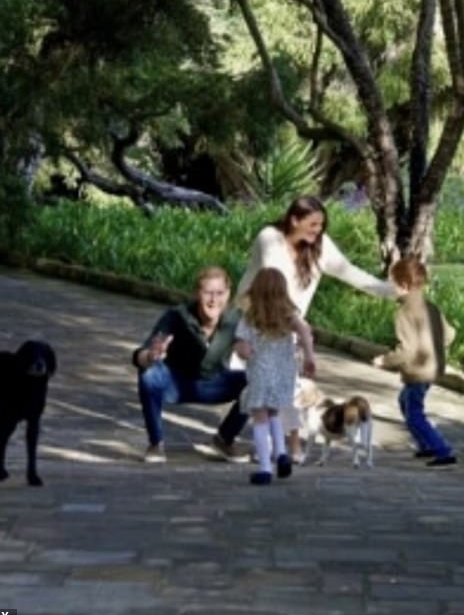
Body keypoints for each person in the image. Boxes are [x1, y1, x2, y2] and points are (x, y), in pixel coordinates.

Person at [236, 195, 401, 461]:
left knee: (285, 388)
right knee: (256, 386)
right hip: (256, 319)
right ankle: (260, 444)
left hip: (288, 327)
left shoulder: (320, 246)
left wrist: (390, 290)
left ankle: (284, 448)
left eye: (321, 225)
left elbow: (350, 272)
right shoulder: (269, 238)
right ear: (294, 220)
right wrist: (298, 326)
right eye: (313, 224)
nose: (318, 231)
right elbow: (275, 283)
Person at [132, 265, 248, 463]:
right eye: (207, 293)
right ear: (197, 293)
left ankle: (224, 439)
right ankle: (155, 443)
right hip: (176, 383)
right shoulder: (178, 315)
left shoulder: (235, 318)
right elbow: (139, 355)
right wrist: (151, 356)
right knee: (149, 375)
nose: (213, 300)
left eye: (219, 293)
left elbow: (253, 347)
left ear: (228, 294)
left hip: (213, 383)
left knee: (257, 381)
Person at [372, 256, 457, 467]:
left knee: (414, 413)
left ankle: (442, 449)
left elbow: (406, 350)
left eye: (393, 283)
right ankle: (424, 445)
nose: (391, 287)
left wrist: (384, 360)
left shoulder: (403, 313)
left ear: (404, 285)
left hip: (418, 371)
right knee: (405, 401)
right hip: (433, 368)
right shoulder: (431, 307)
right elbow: (449, 335)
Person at [234, 267, 316, 485]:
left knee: (259, 417)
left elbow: (242, 348)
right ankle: (280, 454)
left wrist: (245, 352)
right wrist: (309, 357)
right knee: (274, 413)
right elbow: (306, 333)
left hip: (261, 373)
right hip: (284, 374)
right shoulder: (289, 316)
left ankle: (264, 468)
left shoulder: (250, 319)